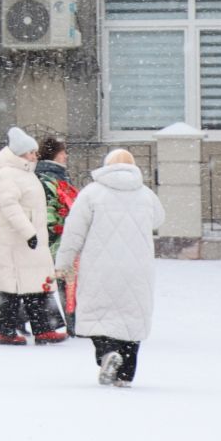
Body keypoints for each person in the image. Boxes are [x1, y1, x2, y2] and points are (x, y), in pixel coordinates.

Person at [55, 149, 162, 387]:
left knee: (99, 316)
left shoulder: (92, 193)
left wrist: (63, 263)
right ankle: (125, 374)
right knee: (132, 319)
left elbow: (74, 231)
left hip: (99, 266)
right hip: (137, 268)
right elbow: (159, 220)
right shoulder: (146, 194)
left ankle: (107, 352)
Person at [0, 127, 66, 346]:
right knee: (14, 287)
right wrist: (28, 232)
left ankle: (44, 328)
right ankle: (6, 331)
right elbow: (10, 206)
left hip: (30, 240)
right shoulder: (7, 174)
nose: (35, 156)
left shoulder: (25, 172)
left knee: (36, 284)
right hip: (17, 240)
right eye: (31, 152)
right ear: (19, 153)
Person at [37, 137, 78, 336]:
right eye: (63, 152)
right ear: (55, 154)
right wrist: (58, 228)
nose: (66, 156)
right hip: (57, 237)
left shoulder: (54, 176)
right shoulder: (49, 178)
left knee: (48, 279)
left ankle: (20, 317)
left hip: (58, 235)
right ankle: (71, 323)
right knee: (63, 279)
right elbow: (50, 209)